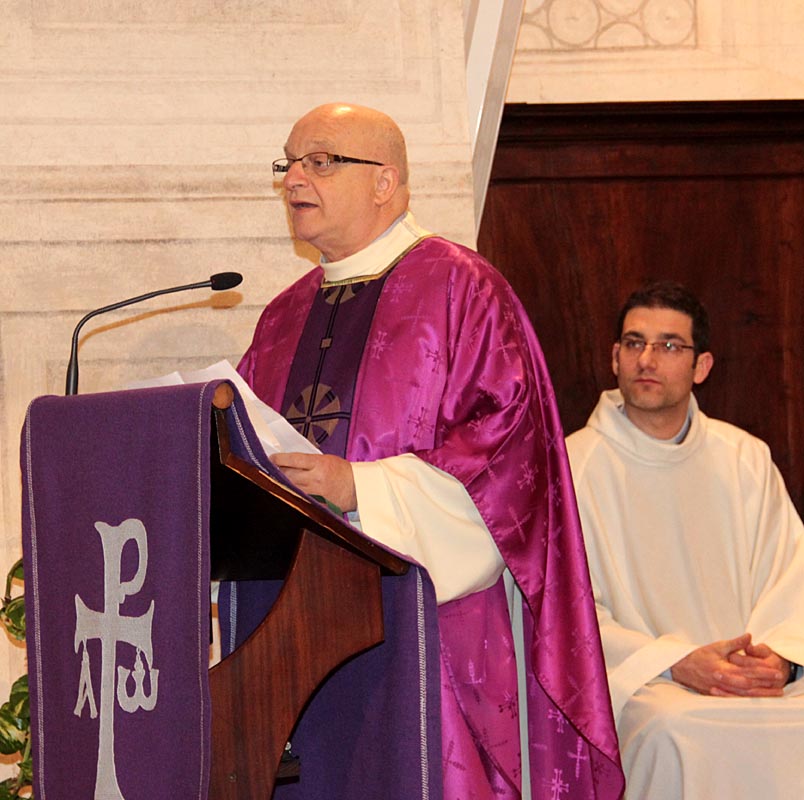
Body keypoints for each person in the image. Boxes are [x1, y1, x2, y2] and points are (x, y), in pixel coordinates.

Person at [221, 102, 624, 799]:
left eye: (321, 161)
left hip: (429, 625)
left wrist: (361, 487)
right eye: (288, 164)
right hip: (287, 630)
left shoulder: (462, 287)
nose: (294, 180)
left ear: (386, 181)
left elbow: (508, 459)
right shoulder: (283, 315)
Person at [565, 281, 804, 799]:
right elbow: (567, 613)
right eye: (635, 343)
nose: (647, 359)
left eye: (670, 345)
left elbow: (792, 575)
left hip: (750, 678)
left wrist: (781, 658)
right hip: (645, 683)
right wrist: (673, 661)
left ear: (702, 367)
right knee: (675, 732)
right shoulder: (572, 469)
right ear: (614, 357)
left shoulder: (744, 459)